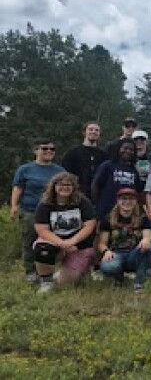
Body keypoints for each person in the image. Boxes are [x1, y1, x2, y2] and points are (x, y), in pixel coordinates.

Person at [31, 172, 97, 293]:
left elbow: (90, 225)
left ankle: (73, 271)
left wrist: (72, 241)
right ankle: (46, 281)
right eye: (61, 184)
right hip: (53, 242)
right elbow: (41, 229)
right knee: (42, 248)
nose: (65, 187)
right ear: (54, 186)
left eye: (68, 184)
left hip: (78, 246)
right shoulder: (45, 204)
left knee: (66, 283)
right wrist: (62, 243)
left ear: (74, 187)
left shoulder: (83, 202)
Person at [11, 139, 66, 283]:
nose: (49, 151)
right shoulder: (25, 169)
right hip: (30, 210)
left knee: (54, 243)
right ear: (36, 150)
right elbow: (18, 188)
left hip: (53, 212)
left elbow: (66, 189)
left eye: (52, 149)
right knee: (29, 241)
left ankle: (49, 271)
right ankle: (30, 272)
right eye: (45, 148)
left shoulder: (59, 170)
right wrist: (14, 206)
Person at [97, 188, 151, 292]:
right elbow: (101, 244)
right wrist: (106, 251)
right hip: (115, 254)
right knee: (110, 267)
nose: (127, 202)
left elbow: (148, 237)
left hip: (134, 253)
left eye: (131, 199)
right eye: (123, 199)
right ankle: (119, 279)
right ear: (118, 201)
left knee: (147, 248)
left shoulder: (143, 218)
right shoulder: (107, 219)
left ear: (136, 201)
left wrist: (146, 240)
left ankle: (139, 283)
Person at [92, 138, 141, 221]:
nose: (128, 151)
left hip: (126, 212)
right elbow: (95, 185)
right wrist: (97, 203)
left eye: (131, 150)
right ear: (119, 149)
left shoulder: (134, 171)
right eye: (125, 148)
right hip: (106, 210)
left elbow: (137, 191)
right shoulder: (107, 165)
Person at [61, 122, 109, 200]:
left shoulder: (104, 155)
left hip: (98, 197)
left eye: (97, 130)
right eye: (91, 129)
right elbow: (66, 175)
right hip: (76, 195)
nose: (93, 132)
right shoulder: (72, 153)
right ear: (84, 132)